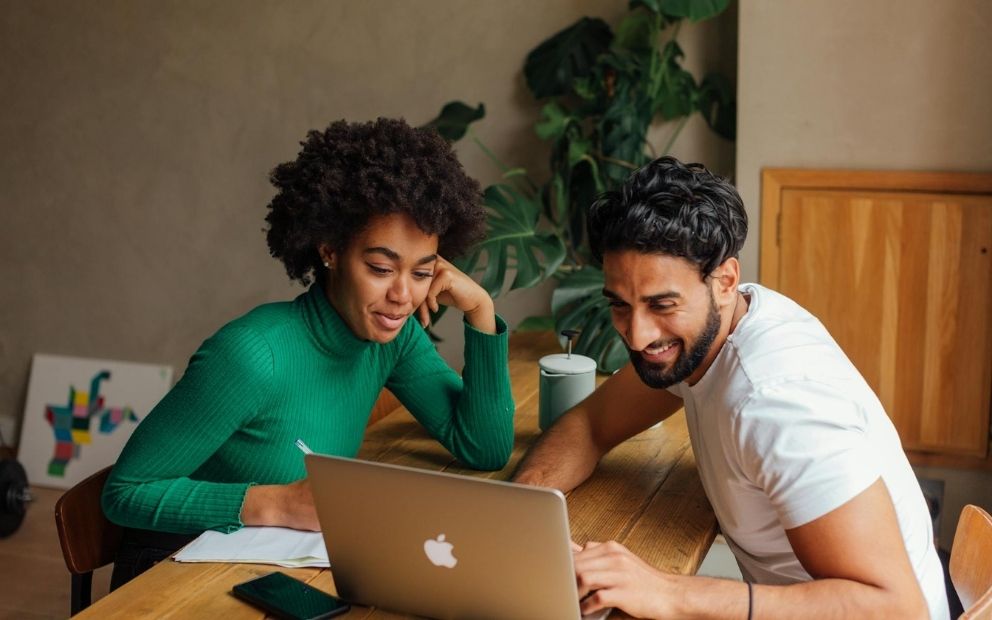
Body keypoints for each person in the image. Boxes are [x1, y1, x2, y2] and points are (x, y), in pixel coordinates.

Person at [513, 156, 948, 619]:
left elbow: (898, 609)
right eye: (621, 305)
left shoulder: (777, 401)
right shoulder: (717, 327)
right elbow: (591, 424)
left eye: (662, 304)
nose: (638, 335)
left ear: (724, 280)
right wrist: (521, 512)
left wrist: (668, 592)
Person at [102, 118, 514, 587]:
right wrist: (276, 503)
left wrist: (481, 311)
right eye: (381, 267)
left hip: (270, 563)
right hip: (171, 573)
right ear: (330, 251)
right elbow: (125, 493)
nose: (403, 295)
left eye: (422, 273)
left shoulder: (392, 339)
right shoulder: (251, 356)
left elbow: (484, 448)